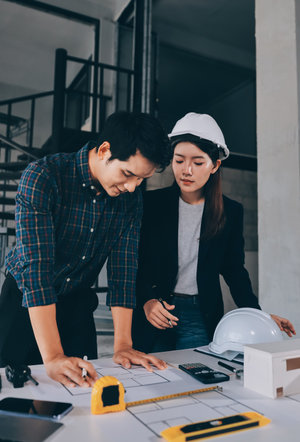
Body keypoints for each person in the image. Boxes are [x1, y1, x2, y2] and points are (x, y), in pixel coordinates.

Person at [0, 111, 171, 387]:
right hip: (25, 303)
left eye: (141, 179)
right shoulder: (44, 177)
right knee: (11, 399)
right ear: (105, 150)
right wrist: (54, 355)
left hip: (77, 306)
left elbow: (123, 272)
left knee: (81, 396)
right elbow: (37, 270)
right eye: (128, 174)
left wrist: (123, 344)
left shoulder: (130, 200)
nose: (131, 187)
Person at [132, 112, 295, 353]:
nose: (186, 170)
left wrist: (259, 317)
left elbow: (235, 272)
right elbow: (134, 261)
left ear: (214, 165)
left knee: (194, 382)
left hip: (200, 315)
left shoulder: (230, 212)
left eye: (198, 163)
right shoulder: (150, 204)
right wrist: (146, 300)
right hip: (156, 310)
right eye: (179, 161)